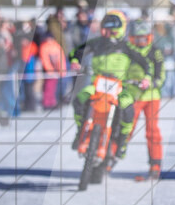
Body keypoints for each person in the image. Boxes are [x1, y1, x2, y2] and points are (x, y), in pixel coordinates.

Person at [68, 11, 151, 164]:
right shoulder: (96, 43)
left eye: (113, 30)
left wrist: (147, 77)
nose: (109, 33)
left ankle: (122, 142)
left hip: (120, 87)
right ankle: (81, 131)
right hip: (96, 85)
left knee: (128, 108)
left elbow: (144, 62)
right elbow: (77, 51)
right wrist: (75, 60)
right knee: (79, 100)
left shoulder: (126, 47)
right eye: (106, 29)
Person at [126, 19, 166, 180]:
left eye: (145, 38)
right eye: (138, 39)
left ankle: (155, 164)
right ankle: (109, 159)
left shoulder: (154, 52)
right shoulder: (127, 52)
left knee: (152, 131)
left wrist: (154, 83)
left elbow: (160, 72)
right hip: (132, 96)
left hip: (151, 97)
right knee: (126, 128)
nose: (142, 42)